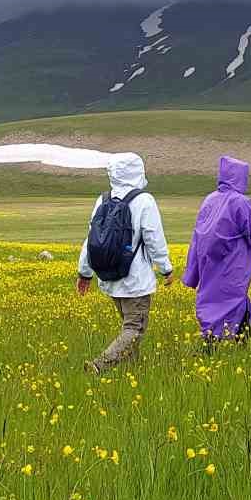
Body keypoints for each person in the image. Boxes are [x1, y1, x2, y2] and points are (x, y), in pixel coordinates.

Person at [76, 153, 173, 373]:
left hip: (109, 277)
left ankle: (133, 372)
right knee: (134, 329)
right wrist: (165, 268)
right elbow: (153, 237)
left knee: (128, 328)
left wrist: (84, 273)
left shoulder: (103, 199)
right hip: (135, 279)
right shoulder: (144, 200)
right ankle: (99, 366)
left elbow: (91, 239)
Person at [182, 155, 251, 340]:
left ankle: (212, 343)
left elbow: (196, 238)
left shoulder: (209, 201)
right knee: (234, 303)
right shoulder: (240, 202)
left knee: (211, 303)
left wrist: (191, 275)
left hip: (208, 267)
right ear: (240, 177)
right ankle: (230, 347)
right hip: (232, 267)